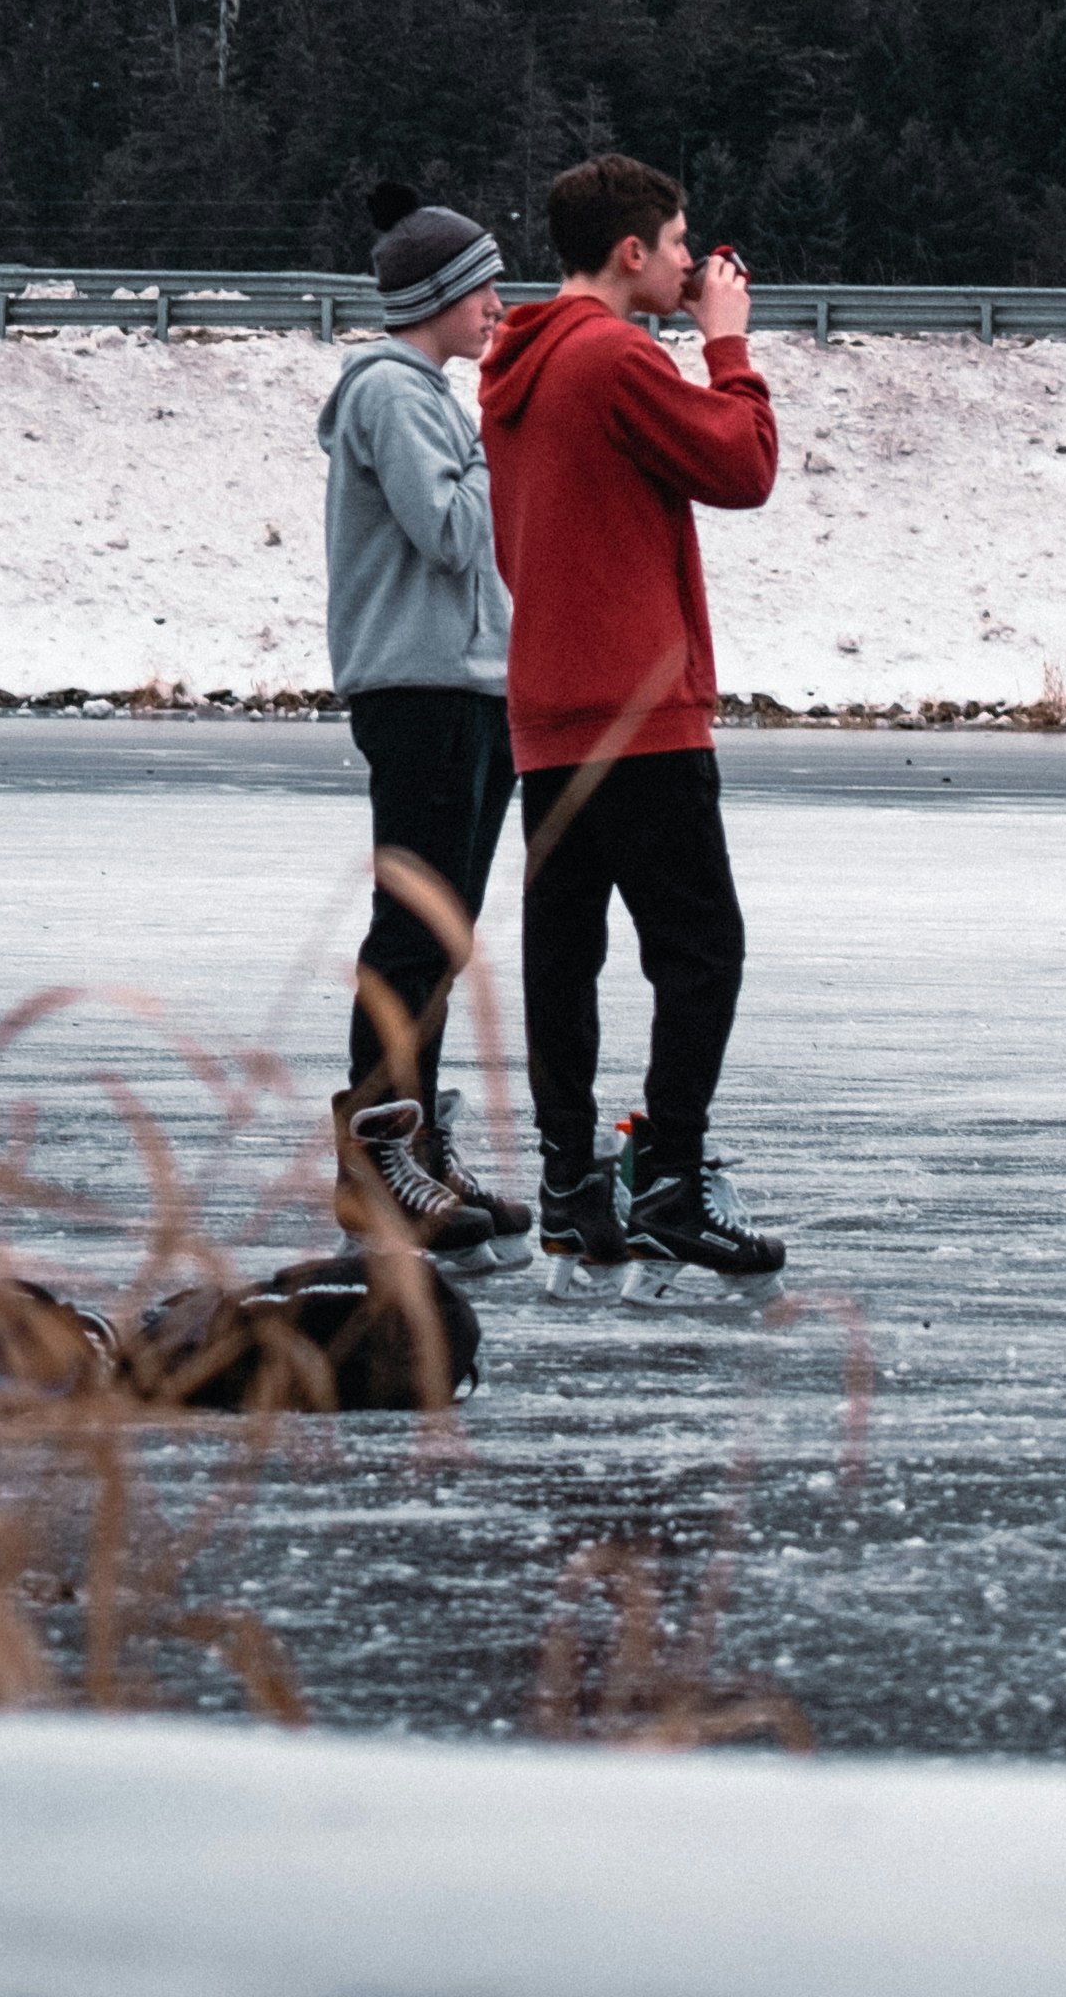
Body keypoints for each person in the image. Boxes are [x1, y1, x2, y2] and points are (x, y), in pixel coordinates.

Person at [477, 150, 784, 1291]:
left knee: (566, 953)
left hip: (546, 707)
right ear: (628, 251)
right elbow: (743, 464)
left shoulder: (512, 362)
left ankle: (570, 1184)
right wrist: (728, 340)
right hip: (639, 711)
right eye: (675, 244)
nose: (686, 261)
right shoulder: (610, 357)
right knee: (699, 951)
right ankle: (667, 1176)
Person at [315, 183, 533, 1262]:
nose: (498, 303)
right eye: (484, 286)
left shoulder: (433, 395)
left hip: (466, 685)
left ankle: (414, 1142)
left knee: (440, 934)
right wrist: (506, 444)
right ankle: (375, 1158)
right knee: (413, 929)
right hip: (419, 690)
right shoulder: (394, 393)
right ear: (440, 295)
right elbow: (448, 531)